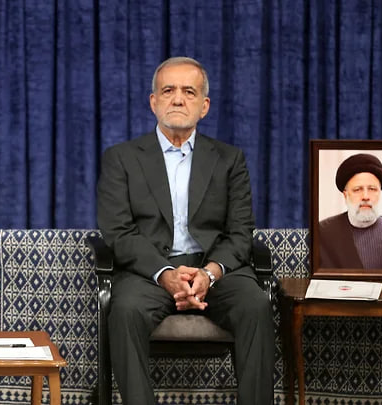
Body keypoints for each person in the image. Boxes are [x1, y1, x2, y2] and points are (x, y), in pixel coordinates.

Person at [97, 57, 274, 405]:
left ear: (204, 106)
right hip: (149, 271)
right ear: (153, 102)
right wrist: (166, 274)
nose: (178, 99)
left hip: (215, 270)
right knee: (125, 310)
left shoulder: (229, 160)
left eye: (189, 92)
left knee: (256, 304)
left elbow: (240, 232)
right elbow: (118, 231)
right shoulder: (121, 158)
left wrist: (209, 273)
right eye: (168, 91)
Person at [319, 153, 382, 268]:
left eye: (372, 189)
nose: (365, 196)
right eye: (357, 189)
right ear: (345, 195)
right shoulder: (322, 234)